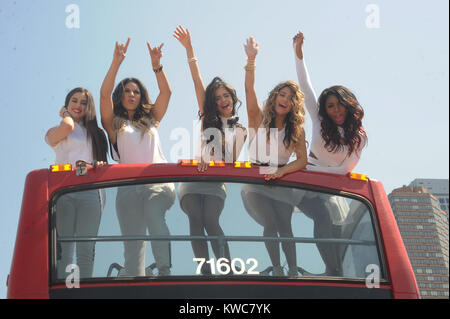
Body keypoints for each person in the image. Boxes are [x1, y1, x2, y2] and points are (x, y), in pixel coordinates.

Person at [293, 31, 368, 276]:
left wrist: (317, 170)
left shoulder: (359, 138)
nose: (335, 110)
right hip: (304, 185)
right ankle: (330, 269)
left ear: (349, 105)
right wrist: (299, 54)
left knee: (337, 228)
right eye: (330, 106)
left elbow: (344, 170)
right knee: (322, 216)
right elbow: (305, 86)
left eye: (339, 104)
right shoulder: (318, 120)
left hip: (329, 188)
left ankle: (335, 272)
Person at [173, 26, 247, 274]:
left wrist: (212, 161)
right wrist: (189, 49)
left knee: (211, 221)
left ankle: (226, 268)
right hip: (193, 179)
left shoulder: (240, 130)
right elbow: (196, 82)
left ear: (232, 97)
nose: (222, 100)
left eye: (225, 95)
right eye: (216, 98)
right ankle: (204, 271)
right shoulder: (207, 118)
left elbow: (232, 162)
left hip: (215, 182)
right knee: (195, 219)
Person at [100, 38, 175, 277]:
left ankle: (164, 272)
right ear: (120, 96)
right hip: (128, 189)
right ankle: (137, 280)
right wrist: (116, 63)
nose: (132, 94)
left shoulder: (152, 119)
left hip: (157, 183)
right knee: (133, 245)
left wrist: (157, 65)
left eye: (136, 91)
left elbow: (166, 92)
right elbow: (103, 97)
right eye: (127, 91)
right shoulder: (114, 125)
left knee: (154, 216)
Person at [241, 36, 308, 277]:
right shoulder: (257, 118)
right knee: (270, 222)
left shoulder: (297, 130)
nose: (285, 99)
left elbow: (301, 160)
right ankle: (277, 268)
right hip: (256, 180)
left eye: (290, 97)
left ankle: (292, 270)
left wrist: (282, 171)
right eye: (282, 94)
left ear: (293, 105)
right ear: (275, 97)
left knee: (285, 226)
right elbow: (249, 89)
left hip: (281, 178)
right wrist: (251, 59)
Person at [45, 87, 108, 279]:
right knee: (64, 248)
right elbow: (68, 127)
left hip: (91, 192)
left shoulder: (97, 134)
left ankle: (84, 290)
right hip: (64, 192)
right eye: (74, 100)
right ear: (66, 104)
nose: (78, 106)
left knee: (86, 248)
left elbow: (103, 165)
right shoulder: (56, 131)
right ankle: (65, 289)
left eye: (83, 102)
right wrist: (65, 114)